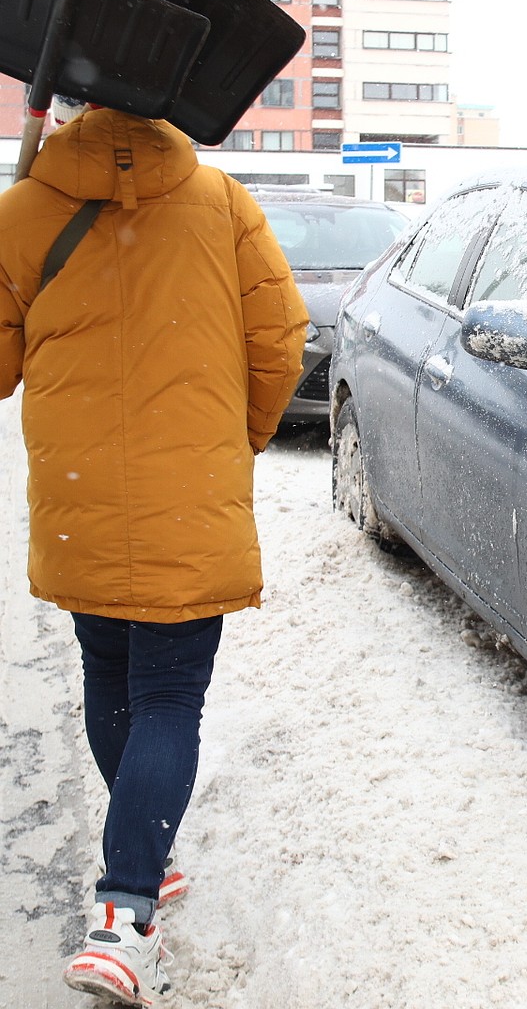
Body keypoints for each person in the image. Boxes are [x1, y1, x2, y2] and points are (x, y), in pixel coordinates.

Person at [0, 100, 307, 1005]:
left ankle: (143, 852)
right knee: (169, 696)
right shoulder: (220, 203)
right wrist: (243, 433)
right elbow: (281, 337)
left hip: (82, 499)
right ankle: (127, 917)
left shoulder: (25, 211)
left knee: (108, 668)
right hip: (187, 494)